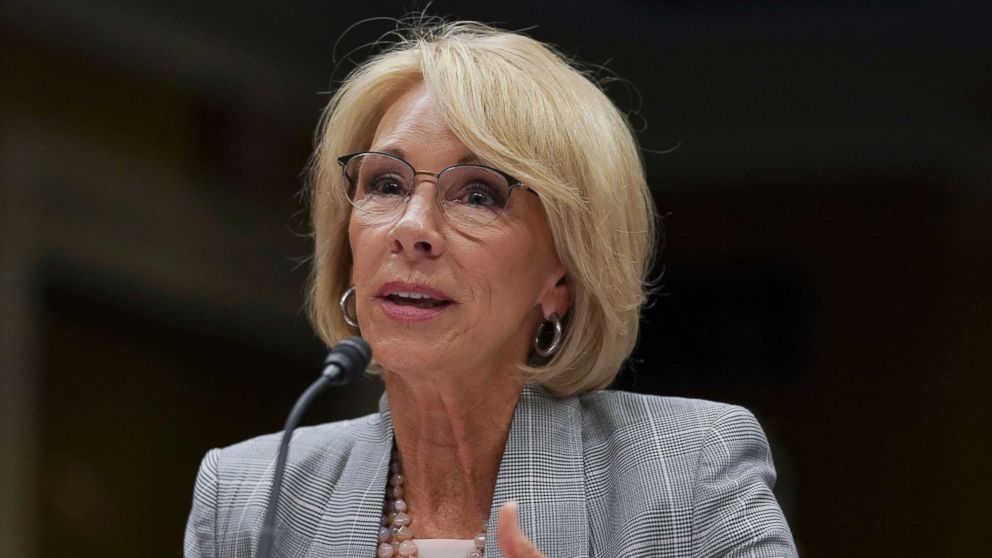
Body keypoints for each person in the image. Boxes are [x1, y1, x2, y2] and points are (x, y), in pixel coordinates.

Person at [184, 21, 797, 558]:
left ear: (564, 274)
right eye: (387, 184)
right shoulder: (248, 496)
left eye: (478, 194)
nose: (412, 229)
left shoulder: (688, 472)